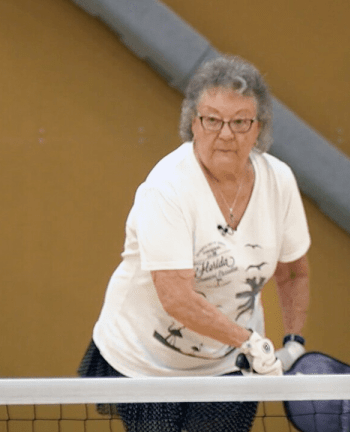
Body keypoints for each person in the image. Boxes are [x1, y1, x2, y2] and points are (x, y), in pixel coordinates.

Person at [77, 54, 311, 432]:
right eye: (213, 119)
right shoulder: (167, 189)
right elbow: (177, 298)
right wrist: (251, 343)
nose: (226, 133)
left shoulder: (279, 182)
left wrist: (294, 342)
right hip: (147, 362)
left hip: (228, 361)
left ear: (258, 129)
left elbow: (294, 273)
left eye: (240, 122)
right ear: (193, 123)